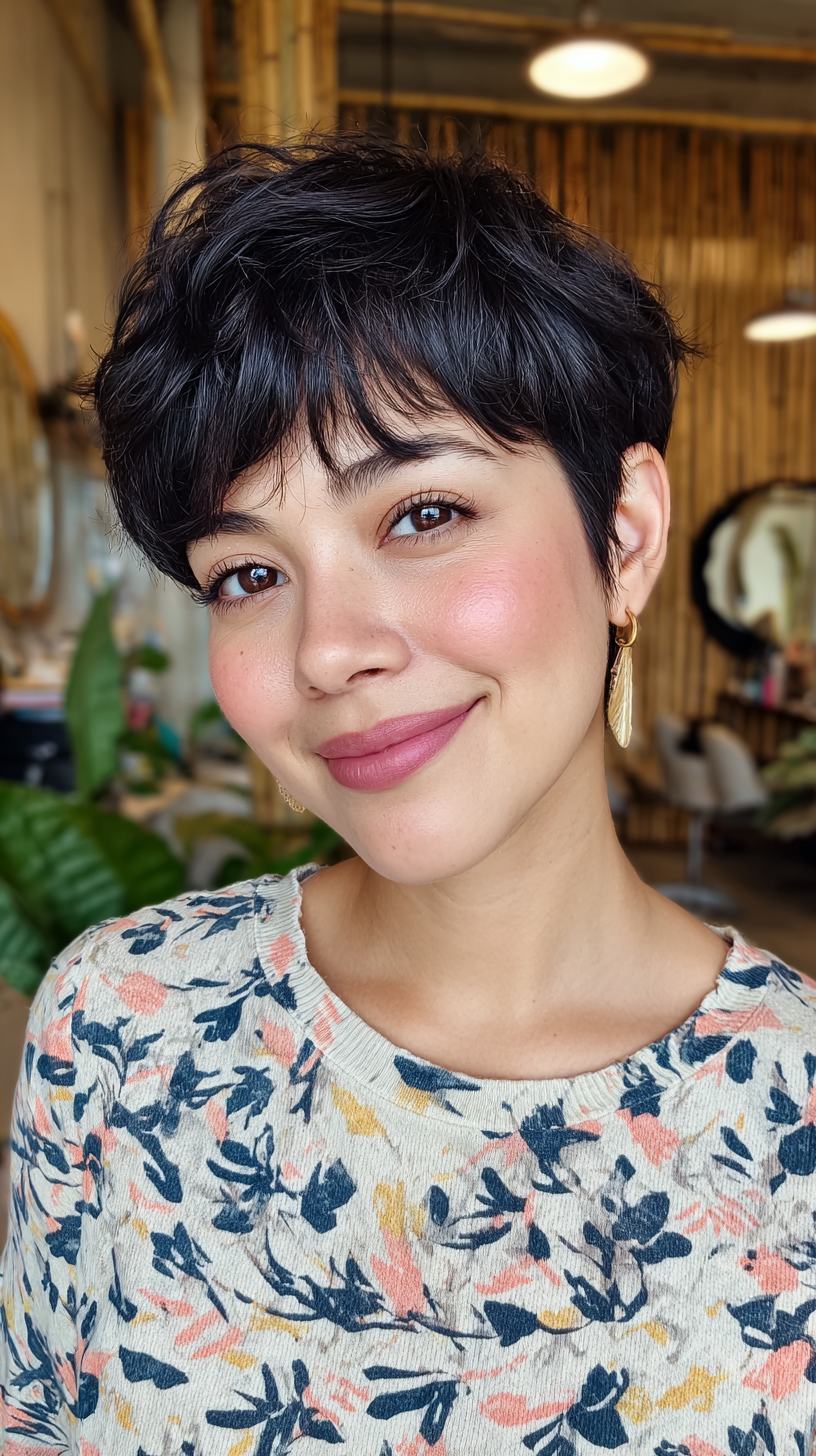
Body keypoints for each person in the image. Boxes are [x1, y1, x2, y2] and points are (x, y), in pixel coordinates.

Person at [2, 136, 814, 1456]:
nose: (329, 649)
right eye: (247, 575)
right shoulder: (121, 1027)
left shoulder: (797, 1118)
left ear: (624, 538)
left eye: (421, 513)